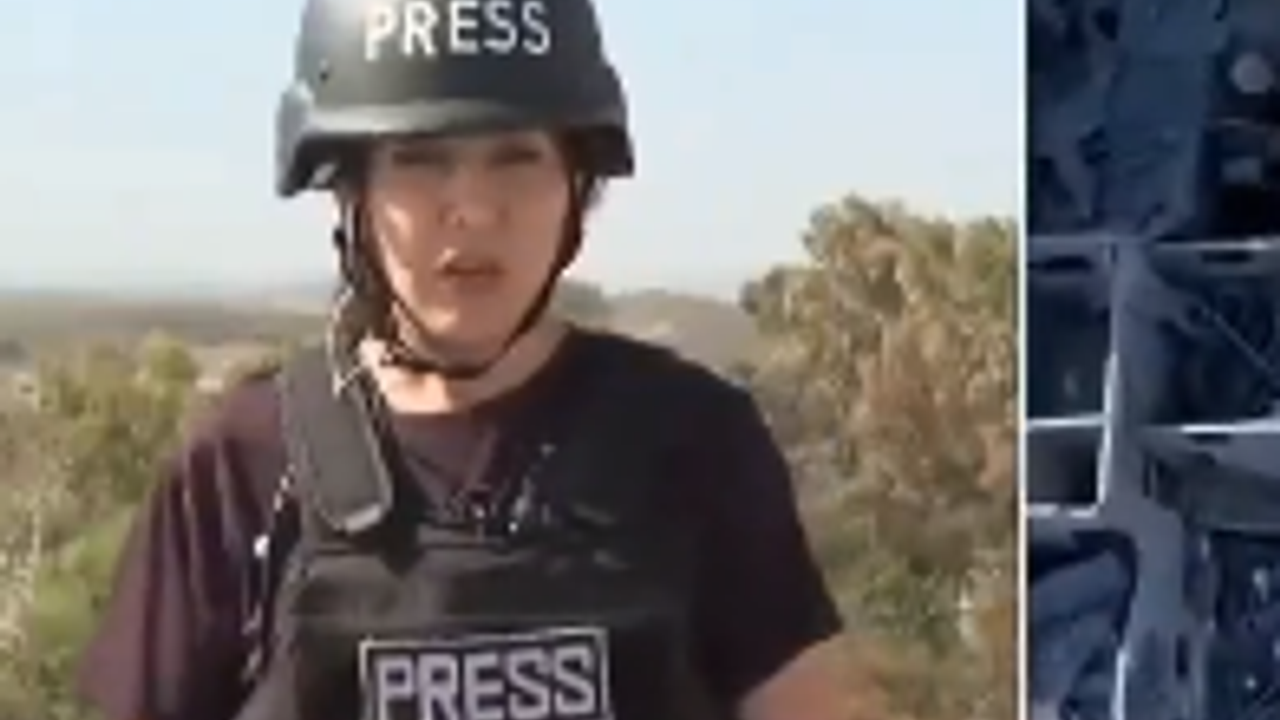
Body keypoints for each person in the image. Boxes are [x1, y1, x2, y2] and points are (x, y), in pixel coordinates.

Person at [77, 0, 849, 718]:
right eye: (420, 158)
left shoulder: (694, 440)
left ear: (576, 186)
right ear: (351, 190)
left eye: (517, 156)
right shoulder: (242, 467)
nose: (475, 210)